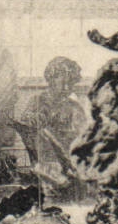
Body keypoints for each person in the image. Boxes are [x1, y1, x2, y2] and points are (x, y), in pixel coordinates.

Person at [14, 55, 87, 198]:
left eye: (70, 84)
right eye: (63, 83)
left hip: (69, 158)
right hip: (45, 159)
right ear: (52, 80)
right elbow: (25, 125)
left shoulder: (74, 107)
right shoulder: (37, 101)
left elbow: (83, 133)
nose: (67, 88)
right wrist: (33, 120)